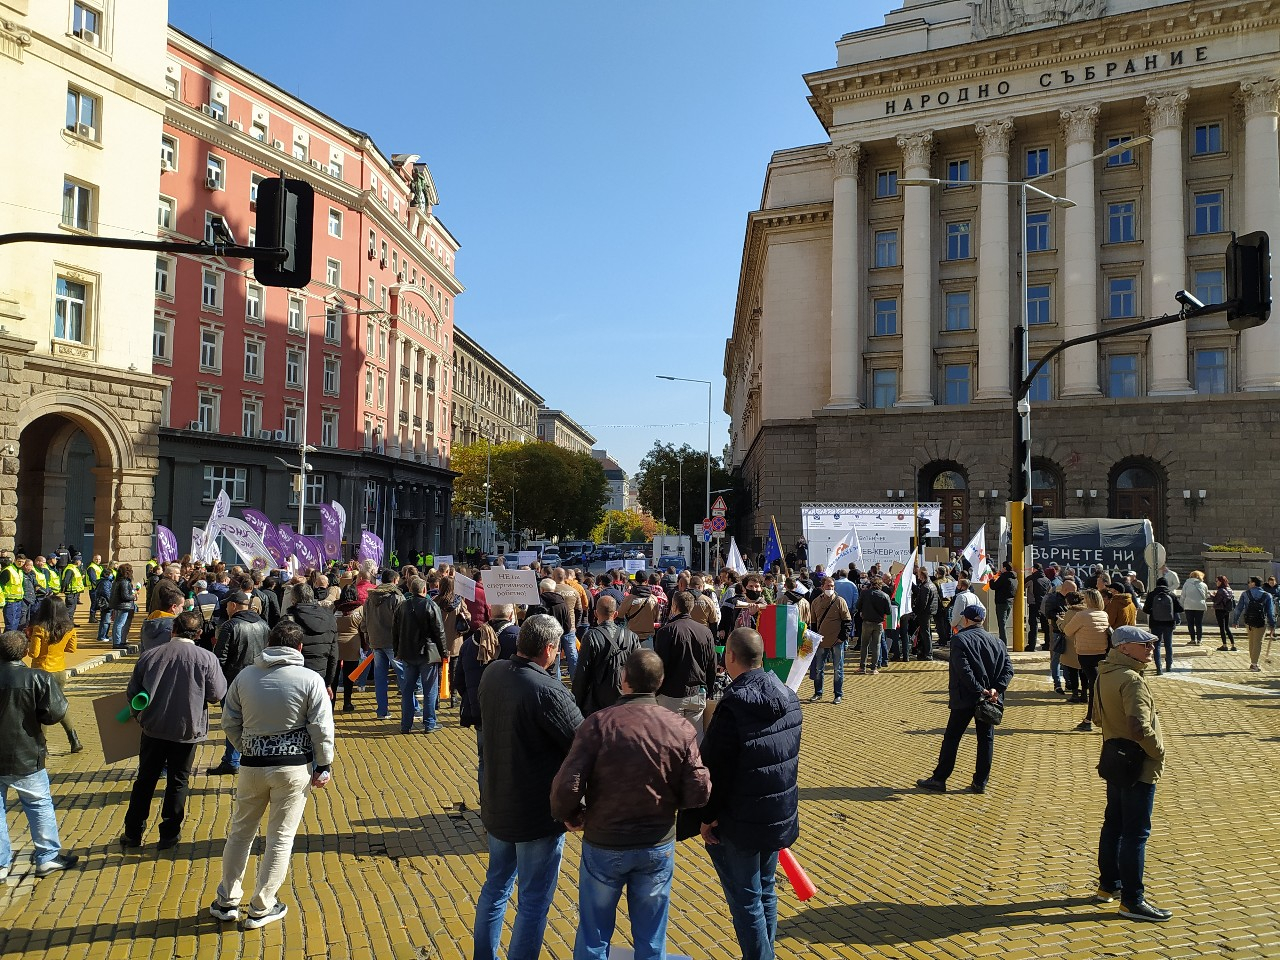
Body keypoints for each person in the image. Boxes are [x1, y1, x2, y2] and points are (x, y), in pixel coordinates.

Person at [552, 648, 711, 960]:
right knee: (651, 939)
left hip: (605, 841)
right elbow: (699, 790)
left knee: (594, 935)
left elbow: (568, 783)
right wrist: (670, 803)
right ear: (661, 682)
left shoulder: (597, 724)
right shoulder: (680, 728)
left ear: (623, 681)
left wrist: (569, 814)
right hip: (656, 842)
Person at [210, 621, 335, 930]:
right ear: (300, 648)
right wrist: (324, 764)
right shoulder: (310, 679)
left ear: (268, 643)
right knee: (280, 838)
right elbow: (321, 727)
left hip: (252, 766)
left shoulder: (245, 676)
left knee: (241, 832)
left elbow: (229, 721)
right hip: (294, 768)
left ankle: (227, 899)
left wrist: (248, 747)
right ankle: (262, 905)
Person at [473, 615, 583, 960]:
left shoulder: (493, 672)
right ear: (550, 649)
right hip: (536, 814)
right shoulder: (547, 689)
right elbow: (582, 741)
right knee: (533, 901)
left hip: (497, 801)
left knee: (496, 887)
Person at [698, 627, 802, 960]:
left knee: (745, 898)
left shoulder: (732, 707)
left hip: (741, 819)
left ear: (729, 656)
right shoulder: (789, 696)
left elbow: (716, 768)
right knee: (765, 890)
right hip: (776, 811)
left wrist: (706, 817)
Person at [121, 611, 226, 849]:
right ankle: (169, 834)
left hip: (153, 728)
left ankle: (133, 832)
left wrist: (140, 714)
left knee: (145, 780)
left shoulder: (150, 656)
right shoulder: (207, 659)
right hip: (187, 730)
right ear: (199, 634)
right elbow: (216, 694)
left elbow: (132, 693)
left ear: (173, 630)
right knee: (178, 781)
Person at [1094, 626, 1172, 922]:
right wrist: (1158, 752)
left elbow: (1098, 717)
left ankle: (1108, 886)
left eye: (1152, 644)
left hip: (1114, 759)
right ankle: (1132, 900)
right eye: (1145, 645)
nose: (1151, 648)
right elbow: (1139, 727)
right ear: (1124, 648)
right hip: (1138, 764)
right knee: (1136, 833)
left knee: (1113, 824)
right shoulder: (1132, 680)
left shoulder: (1105, 673)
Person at [0, 629, 78, 880]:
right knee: (38, 804)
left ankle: (1, 864)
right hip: (27, 753)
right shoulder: (37, 678)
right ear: (24, 652)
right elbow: (54, 713)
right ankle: (47, 857)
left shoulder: (36, 678)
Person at [917, 604, 1014, 794]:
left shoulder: (960, 639)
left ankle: (939, 779)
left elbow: (964, 671)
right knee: (986, 739)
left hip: (966, 697)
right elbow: (1008, 670)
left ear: (967, 620)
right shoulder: (997, 642)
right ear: (983, 620)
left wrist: (981, 690)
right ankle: (980, 782)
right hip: (989, 700)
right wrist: (995, 689)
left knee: (952, 738)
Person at [208, 591, 271, 776]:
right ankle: (250, 757)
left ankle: (232, 760)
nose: (226, 607)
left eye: (228, 605)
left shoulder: (230, 626)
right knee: (253, 721)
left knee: (232, 721)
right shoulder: (263, 625)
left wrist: (214, 682)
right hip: (258, 680)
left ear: (234, 605)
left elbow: (220, 658)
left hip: (233, 681)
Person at [651, 590, 718, 737]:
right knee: (694, 740)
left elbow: (659, 665)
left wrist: (655, 691)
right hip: (696, 693)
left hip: (670, 694)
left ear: (674, 607)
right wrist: (709, 689)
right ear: (692, 607)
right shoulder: (705, 632)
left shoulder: (666, 631)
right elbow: (711, 663)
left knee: (669, 740)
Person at [25, 595, 82, 753]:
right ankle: (73, 738)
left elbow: (34, 654)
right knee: (59, 705)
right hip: (59, 670)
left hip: (41, 671)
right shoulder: (68, 628)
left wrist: (31, 640)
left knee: (41, 709)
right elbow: (72, 648)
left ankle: (42, 746)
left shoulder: (40, 628)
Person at [392, 577, 446, 733]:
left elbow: (394, 631)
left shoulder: (402, 606)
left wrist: (397, 651)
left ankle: (405, 725)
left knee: (407, 690)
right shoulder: (431, 605)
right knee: (429, 689)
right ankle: (429, 723)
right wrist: (444, 653)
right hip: (427, 654)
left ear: (410, 590)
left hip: (407, 653)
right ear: (424, 590)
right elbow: (439, 632)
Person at [572, 595, 641, 717]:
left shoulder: (590, 636)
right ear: (615, 614)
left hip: (597, 699)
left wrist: (577, 703)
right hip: (623, 697)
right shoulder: (631, 636)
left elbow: (582, 673)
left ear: (596, 613)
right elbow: (638, 669)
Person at [455, 620, 500, 790]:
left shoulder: (467, 645)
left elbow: (458, 680)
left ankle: (484, 798)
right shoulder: (509, 642)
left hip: (478, 710)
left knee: (483, 759)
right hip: (502, 712)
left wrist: (469, 696)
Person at [362, 569, 406, 721]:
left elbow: (364, 619)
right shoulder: (397, 597)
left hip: (375, 640)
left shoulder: (369, 597)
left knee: (380, 677)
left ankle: (382, 710)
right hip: (392, 642)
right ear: (395, 581)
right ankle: (413, 708)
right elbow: (403, 621)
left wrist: (367, 634)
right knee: (403, 676)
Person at [1064, 589, 1111, 732]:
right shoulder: (1104, 614)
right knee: (1096, 685)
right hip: (1101, 653)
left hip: (1085, 654)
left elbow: (1068, 631)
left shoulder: (1081, 615)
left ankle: (1090, 719)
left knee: (1094, 686)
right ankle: (1093, 718)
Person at [807, 576, 852, 703]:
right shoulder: (816, 602)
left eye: (832, 586)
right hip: (821, 641)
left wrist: (842, 638)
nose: (830, 588)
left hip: (837, 642)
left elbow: (847, 621)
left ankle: (838, 694)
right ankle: (818, 693)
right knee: (818, 669)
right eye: (828, 586)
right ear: (822, 587)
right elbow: (813, 623)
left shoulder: (840, 601)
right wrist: (815, 639)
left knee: (838, 669)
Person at [1231, 576, 1276, 672]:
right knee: (1258, 642)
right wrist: (1272, 625)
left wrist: (1235, 621)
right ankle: (1254, 664)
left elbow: (1238, 609)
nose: (1248, 584)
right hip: (1261, 622)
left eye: (1249, 582)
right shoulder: (1267, 595)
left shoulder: (1245, 594)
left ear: (1253, 583)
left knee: (1251, 641)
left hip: (1249, 621)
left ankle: (1253, 661)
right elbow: (1270, 612)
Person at [1142, 578, 1182, 676]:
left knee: (1156, 645)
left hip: (1155, 623)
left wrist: (1153, 611)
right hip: (1169, 623)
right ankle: (1168, 666)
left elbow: (1145, 609)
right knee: (1168, 645)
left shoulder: (1151, 594)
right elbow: (1180, 608)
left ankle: (1158, 668)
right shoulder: (1171, 594)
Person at [139, 580, 186, 653]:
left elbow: (142, 649)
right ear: (173, 607)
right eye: (182, 606)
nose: (183, 609)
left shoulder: (148, 621)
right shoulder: (173, 626)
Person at [855, 576, 890, 675]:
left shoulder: (865, 593)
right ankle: (873, 668)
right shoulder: (885, 596)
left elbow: (858, 606)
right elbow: (888, 611)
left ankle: (862, 667)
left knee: (864, 645)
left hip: (866, 622)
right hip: (878, 623)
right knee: (876, 645)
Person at [110, 563, 138, 648]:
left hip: (118, 605)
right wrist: (134, 596)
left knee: (117, 624)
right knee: (120, 624)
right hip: (123, 605)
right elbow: (125, 596)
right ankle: (118, 643)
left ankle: (119, 641)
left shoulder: (116, 581)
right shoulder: (124, 582)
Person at [991, 561, 1018, 646]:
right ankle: (1003, 641)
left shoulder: (1004, 577)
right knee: (1004, 622)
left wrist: (992, 579)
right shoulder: (1015, 578)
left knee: (1001, 623)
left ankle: (1003, 643)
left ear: (1005, 568)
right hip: (1010, 602)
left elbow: (994, 586)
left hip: (1001, 602)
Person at [1180, 570, 1209, 646]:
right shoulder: (1203, 585)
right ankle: (1199, 640)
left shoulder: (1186, 584)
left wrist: (1181, 605)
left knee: (1190, 623)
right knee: (1199, 623)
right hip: (1200, 606)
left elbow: (1183, 595)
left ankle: (1192, 639)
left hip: (1188, 606)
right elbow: (1206, 596)